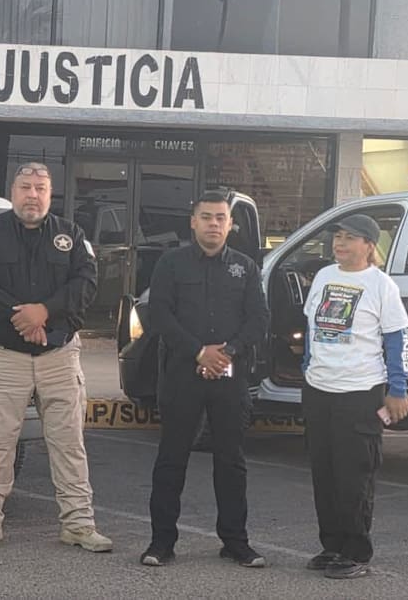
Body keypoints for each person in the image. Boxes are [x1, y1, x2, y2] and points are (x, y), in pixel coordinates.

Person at [0, 162, 111, 553]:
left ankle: (78, 524)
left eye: (40, 188)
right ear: (13, 192)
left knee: (69, 443)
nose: (33, 194)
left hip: (59, 354)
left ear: (50, 193)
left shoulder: (71, 235)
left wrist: (44, 312)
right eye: (26, 187)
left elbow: (86, 285)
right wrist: (22, 317)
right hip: (4, 354)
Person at [142, 191, 269, 568]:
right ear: (192, 221)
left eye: (220, 218)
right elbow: (160, 315)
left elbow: (258, 320)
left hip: (230, 376)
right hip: (183, 374)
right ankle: (161, 542)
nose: (214, 223)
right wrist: (199, 352)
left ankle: (235, 542)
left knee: (231, 462)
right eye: (207, 217)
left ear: (230, 225)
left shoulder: (245, 267)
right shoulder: (171, 263)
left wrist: (226, 352)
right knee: (171, 460)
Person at [301, 214, 408, 580]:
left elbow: (397, 338)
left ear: (368, 245)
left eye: (349, 238)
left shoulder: (381, 286)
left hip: (360, 392)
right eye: (337, 237)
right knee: (325, 472)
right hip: (320, 390)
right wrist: (308, 366)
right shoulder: (324, 276)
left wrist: (397, 388)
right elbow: (312, 326)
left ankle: (355, 551)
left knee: (354, 476)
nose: (340, 244)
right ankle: (330, 545)